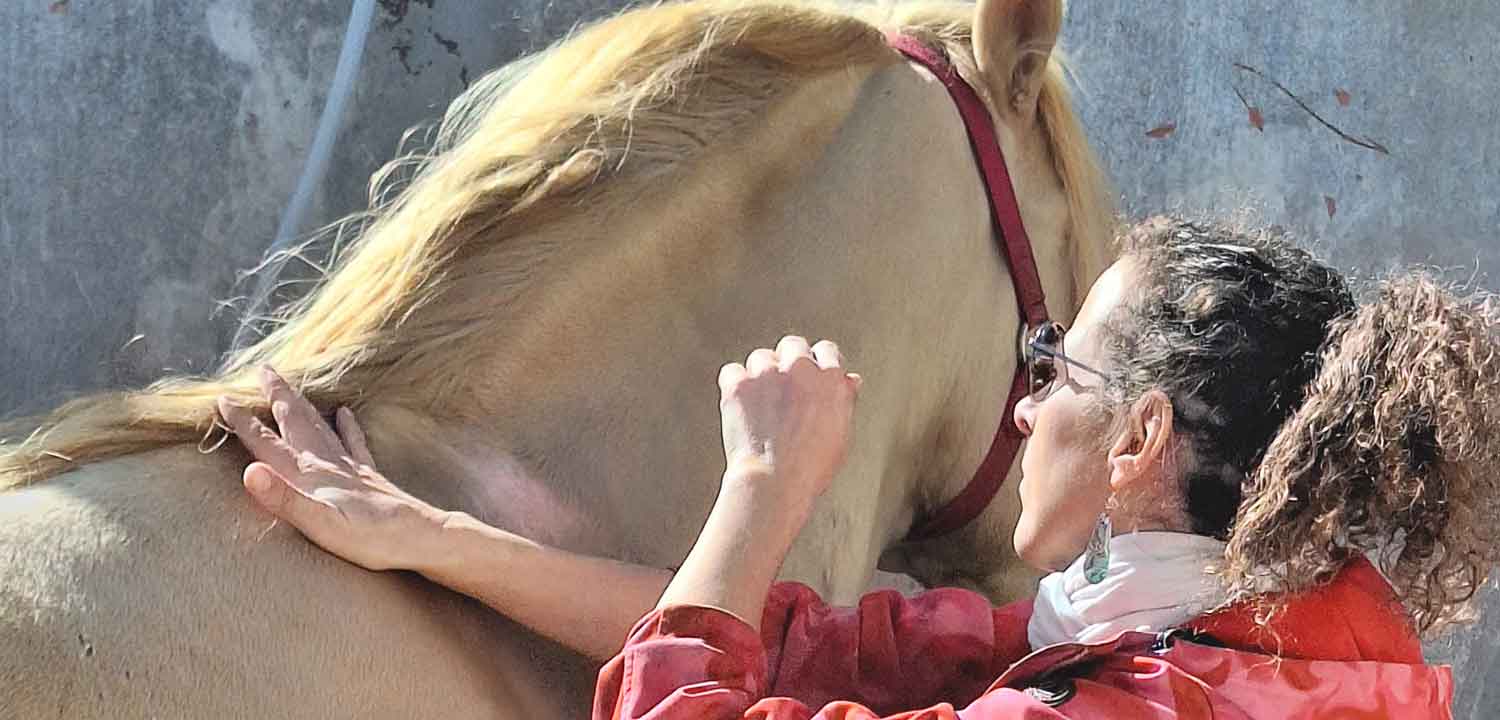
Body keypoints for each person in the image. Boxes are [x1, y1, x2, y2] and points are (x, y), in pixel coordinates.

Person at [217, 216, 1500, 718]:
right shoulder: (1252, 650)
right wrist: (438, 542)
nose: (1025, 404)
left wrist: (762, 493)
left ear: (1141, 439)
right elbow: (802, 648)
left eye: (1056, 366)